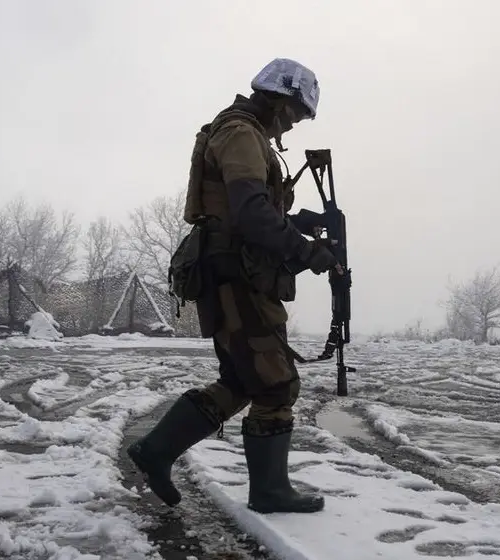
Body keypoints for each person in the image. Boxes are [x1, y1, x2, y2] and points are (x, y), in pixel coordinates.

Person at [127, 58, 340, 514]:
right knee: (276, 385)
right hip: (237, 276)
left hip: (234, 272)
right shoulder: (243, 133)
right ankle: (269, 491)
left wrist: (298, 223)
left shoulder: (244, 133)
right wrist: (304, 251)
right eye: (297, 114)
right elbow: (249, 213)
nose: (296, 124)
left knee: (243, 380)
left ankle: (157, 451)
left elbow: (249, 207)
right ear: (280, 100)